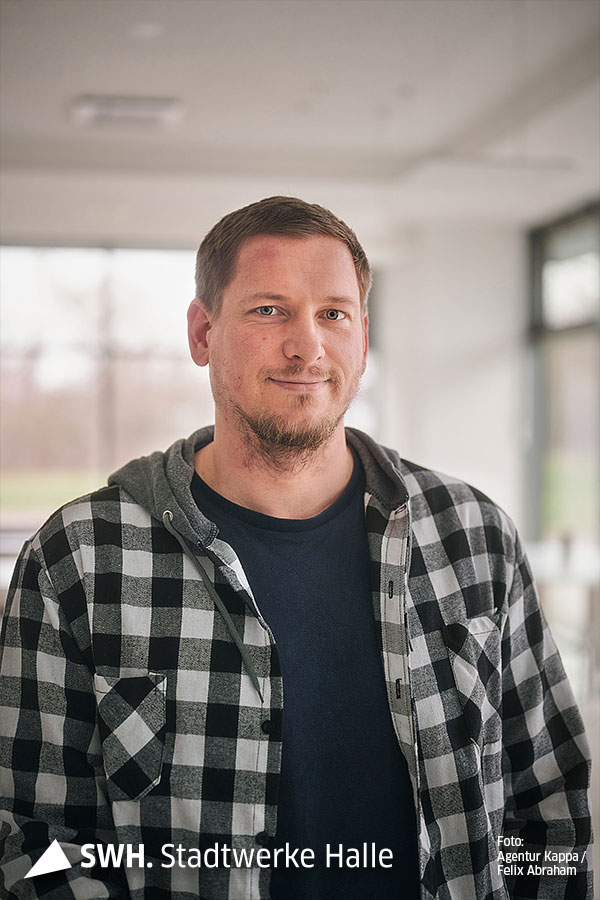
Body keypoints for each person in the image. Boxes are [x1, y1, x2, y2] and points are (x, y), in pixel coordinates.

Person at [0, 196, 593, 900]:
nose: (307, 345)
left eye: (333, 314)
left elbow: (547, 808)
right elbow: (29, 840)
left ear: (363, 338)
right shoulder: (82, 557)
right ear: (202, 332)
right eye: (269, 310)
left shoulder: (474, 538)